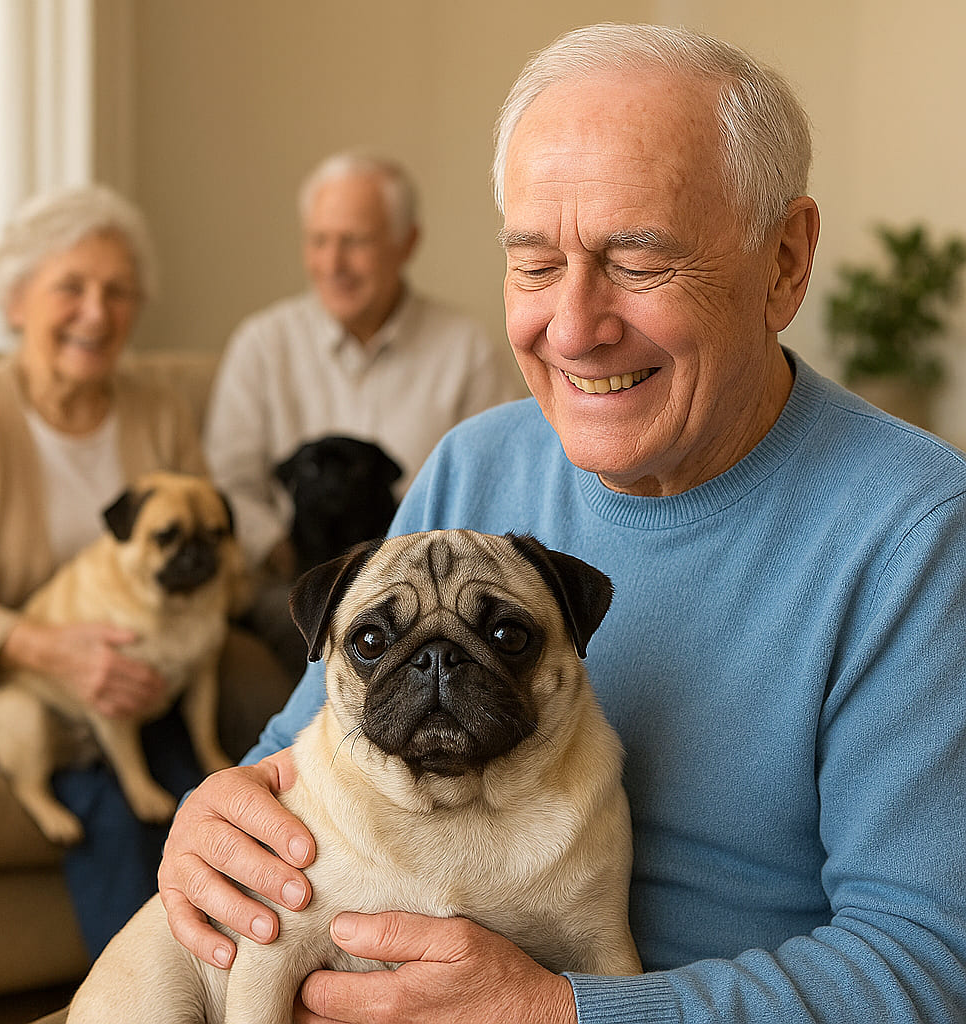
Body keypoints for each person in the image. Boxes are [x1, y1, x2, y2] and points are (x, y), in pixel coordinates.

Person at [157, 23, 966, 1024]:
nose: (574, 328)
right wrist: (217, 815)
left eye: (638, 262)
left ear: (785, 262)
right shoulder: (475, 462)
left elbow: (930, 964)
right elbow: (306, 746)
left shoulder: (917, 533)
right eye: (534, 265)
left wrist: (561, 1011)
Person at [0, 184, 286, 959]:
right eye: (72, 287)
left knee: (219, 777)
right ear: (16, 300)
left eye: (118, 291)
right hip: (0, 677)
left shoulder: (157, 411)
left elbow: (214, 552)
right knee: (106, 789)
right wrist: (51, 651)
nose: (97, 312)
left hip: (147, 664)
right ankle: (138, 993)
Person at [203, 150, 522, 581]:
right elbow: (228, 483)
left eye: (354, 241)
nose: (333, 264)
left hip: (429, 585)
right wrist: (285, 556)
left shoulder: (466, 349)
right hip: (293, 582)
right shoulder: (261, 344)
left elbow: (500, 483)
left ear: (407, 243)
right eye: (318, 241)